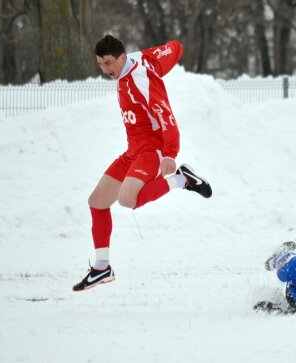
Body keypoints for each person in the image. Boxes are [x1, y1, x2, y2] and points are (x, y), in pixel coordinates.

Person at [73, 35, 212, 292]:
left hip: (152, 151)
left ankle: (182, 179)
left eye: (108, 63)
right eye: (100, 64)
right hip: (133, 151)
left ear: (122, 57)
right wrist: (175, 46)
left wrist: (170, 153)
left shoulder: (141, 79)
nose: (105, 70)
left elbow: (166, 115)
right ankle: (102, 268)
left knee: (127, 199)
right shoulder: (141, 59)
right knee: (97, 202)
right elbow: (169, 52)